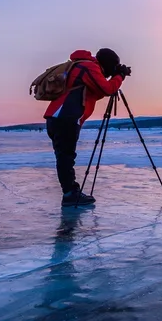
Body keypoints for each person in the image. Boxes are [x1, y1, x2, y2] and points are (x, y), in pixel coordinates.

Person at [44, 48, 132, 206]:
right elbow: (107, 89)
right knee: (65, 157)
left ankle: (70, 191)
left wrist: (116, 76)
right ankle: (70, 194)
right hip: (65, 117)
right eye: (114, 65)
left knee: (64, 156)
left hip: (59, 117)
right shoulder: (89, 67)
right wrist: (119, 76)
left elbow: (97, 91)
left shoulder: (82, 66)